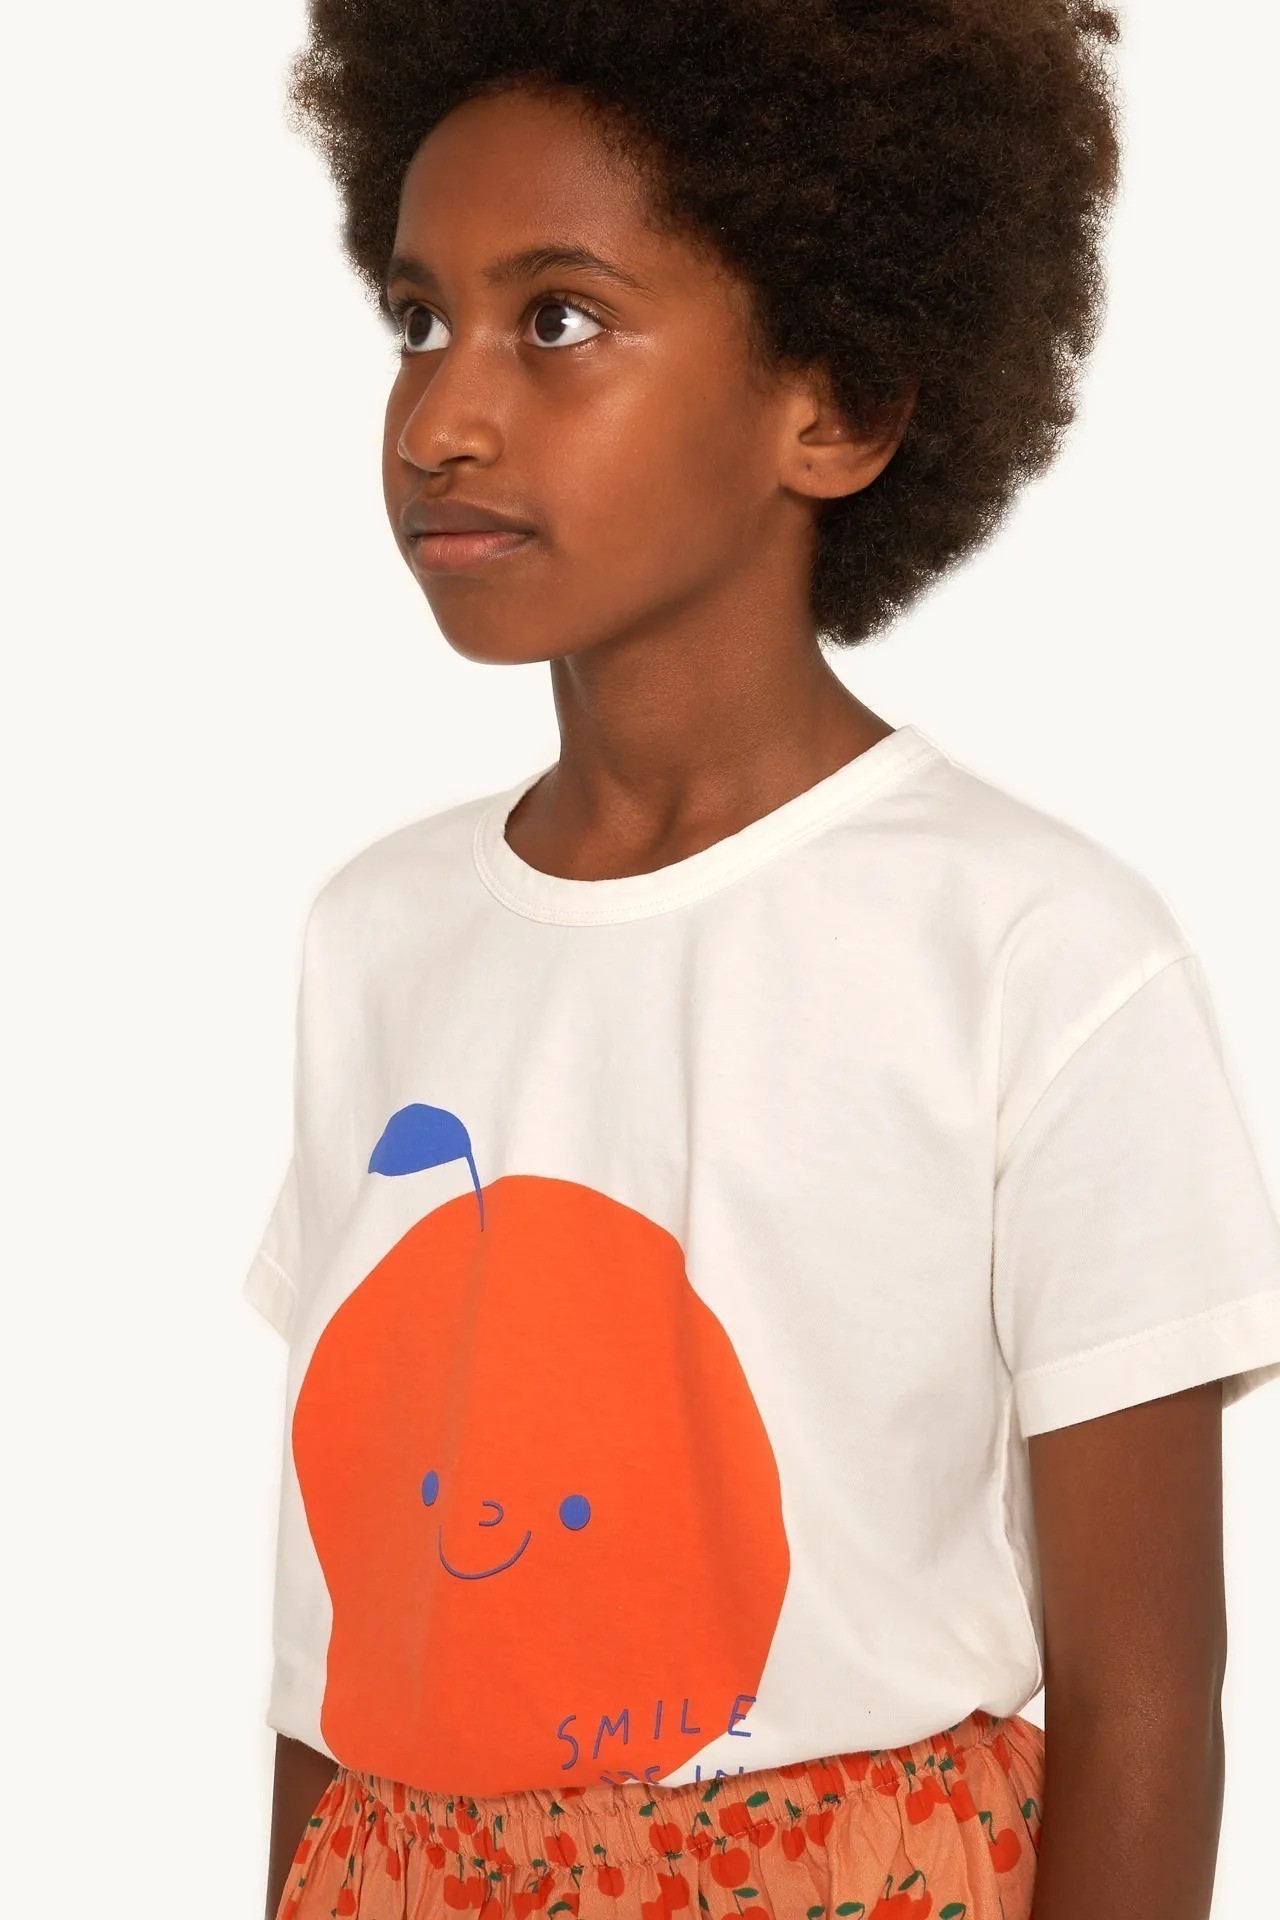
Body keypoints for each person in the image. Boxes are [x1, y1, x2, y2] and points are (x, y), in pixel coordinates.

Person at [242, 2, 1280, 1915]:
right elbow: (343, 1611)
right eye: (417, 319)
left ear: (837, 406)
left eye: (559, 319)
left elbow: (1149, 1699)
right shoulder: (377, 938)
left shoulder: (1034, 954)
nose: (440, 417)